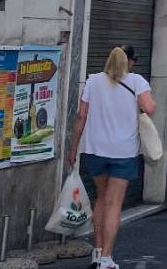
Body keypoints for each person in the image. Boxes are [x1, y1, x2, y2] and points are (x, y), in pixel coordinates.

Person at [67, 46, 156, 269]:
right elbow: (149, 107)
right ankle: (106, 258)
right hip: (123, 152)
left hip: (95, 149)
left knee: (101, 198)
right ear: (130, 62)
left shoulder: (93, 81)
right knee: (114, 203)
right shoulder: (136, 81)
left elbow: (81, 116)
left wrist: (73, 149)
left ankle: (96, 254)